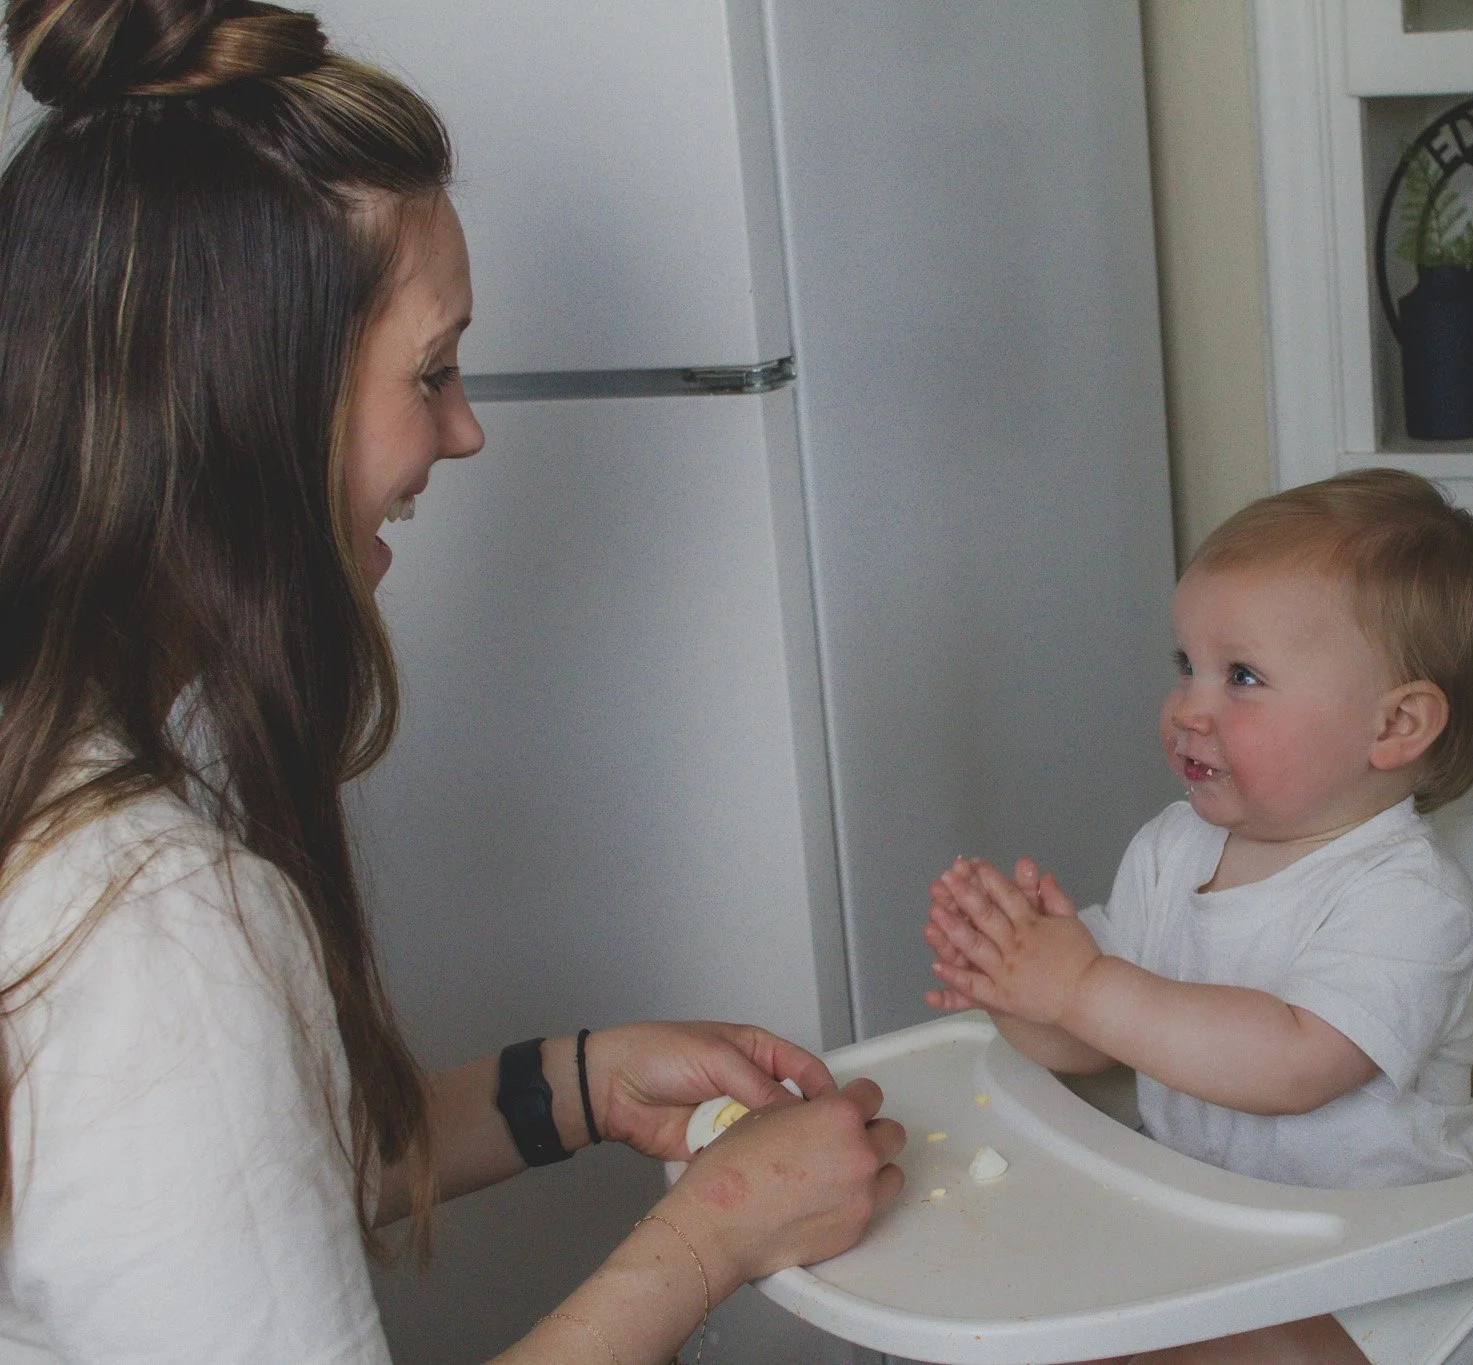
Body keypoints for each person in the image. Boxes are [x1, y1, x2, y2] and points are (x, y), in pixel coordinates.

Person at [0, 2, 905, 1362]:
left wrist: (577, 1084)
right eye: (429, 371)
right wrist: (712, 1238)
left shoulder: (54, 763)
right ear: (244, 402)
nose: (466, 431)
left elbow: (183, 1193)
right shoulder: (158, 924)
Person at [923, 469, 1473, 1363]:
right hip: (1210, 1235)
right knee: (1031, 1312)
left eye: (1241, 675)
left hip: (1377, 1271)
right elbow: (1098, 1044)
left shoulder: (1406, 897)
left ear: (1395, 725)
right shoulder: (1173, 847)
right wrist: (1019, 984)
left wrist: (1082, 984)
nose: (1188, 708)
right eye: (1186, 666)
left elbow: (1295, 1062)